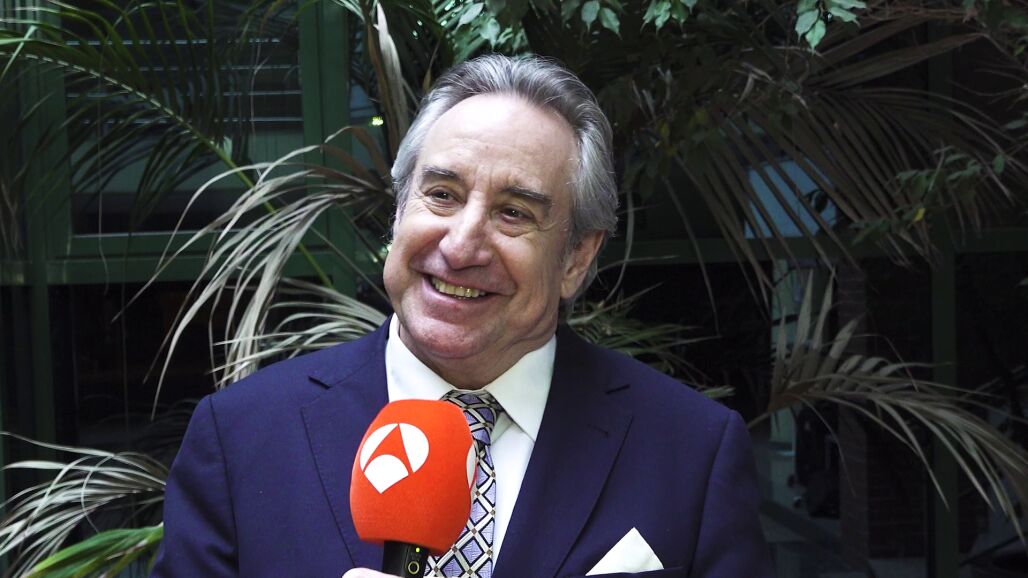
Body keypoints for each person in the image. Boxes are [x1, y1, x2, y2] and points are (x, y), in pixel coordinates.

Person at [153, 54, 774, 578]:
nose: (461, 245)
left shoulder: (691, 453)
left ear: (576, 257)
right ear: (400, 211)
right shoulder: (242, 438)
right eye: (442, 195)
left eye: (514, 213)